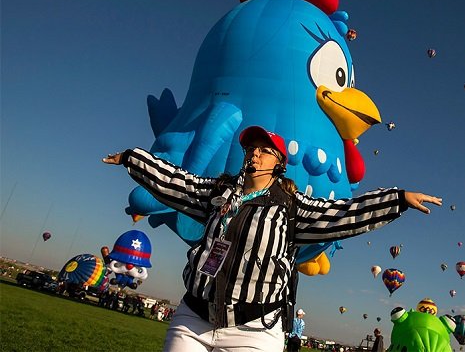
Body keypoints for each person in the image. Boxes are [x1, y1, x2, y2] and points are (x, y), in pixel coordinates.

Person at [103, 125, 441, 352]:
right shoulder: (219, 193)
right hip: (194, 316)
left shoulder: (290, 207)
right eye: (250, 148)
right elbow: (178, 183)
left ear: (278, 163)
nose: (254, 154)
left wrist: (397, 199)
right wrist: (134, 159)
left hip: (254, 330)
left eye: (264, 150)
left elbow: (342, 213)